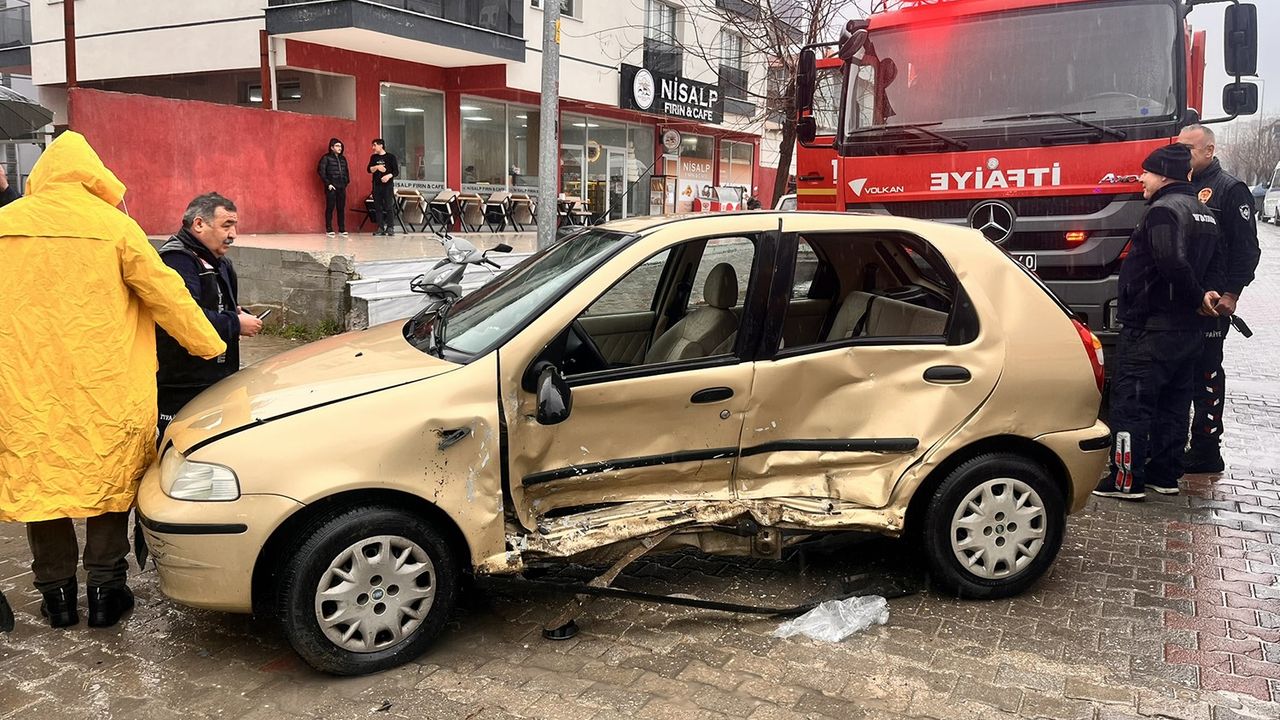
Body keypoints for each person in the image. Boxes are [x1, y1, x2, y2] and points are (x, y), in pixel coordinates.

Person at [0, 131, 225, 629]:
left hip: (25, 387)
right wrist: (209, 345)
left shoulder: (5, 224)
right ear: (94, 177)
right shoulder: (117, 228)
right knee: (111, 483)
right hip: (107, 386)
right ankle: (106, 591)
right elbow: (169, 295)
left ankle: (56, 597)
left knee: (42, 485)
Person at [1093, 144, 1224, 501]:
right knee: (1174, 406)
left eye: (1147, 172)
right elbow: (1218, 265)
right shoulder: (1205, 212)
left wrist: (1195, 296)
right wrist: (1206, 296)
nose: (1141, 179)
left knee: (1131, 405)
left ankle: (1125, 481)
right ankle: (1165, 475)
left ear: (1164, 175)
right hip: (1188, 331)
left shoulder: (1163, 211)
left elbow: (1171, 262)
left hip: (1151, 328)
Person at [1177, 124, 1261, 473]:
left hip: (1213, 303)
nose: (1183, 155)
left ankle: (1207, 449)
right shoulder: (1181, 185)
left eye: (1189, 149)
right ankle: (1176, 444)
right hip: (1185, 297)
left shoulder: (1230, 189)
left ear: (1209, 150)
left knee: (1207, 374)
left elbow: (1247, 248)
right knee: (1181, 372)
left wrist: (1232, 292)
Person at [156, 193, 263, 438]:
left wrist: (236, 313)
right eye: (226, 225)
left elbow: (217, 307)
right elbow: (184, 318)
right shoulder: (177, 261)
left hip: (216, 379)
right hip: (183, 385)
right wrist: (235, 324)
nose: (233, 234)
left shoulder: (219, 262)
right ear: (199, 224)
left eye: (235, 226)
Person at [317, 137, 350, 238]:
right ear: (332, 147)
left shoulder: (343, 159)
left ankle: (342, 229)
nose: (340, 148)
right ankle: (329, 229)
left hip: (342, 186)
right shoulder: (326, 158)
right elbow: (321, 171)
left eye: (340, 146)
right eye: (337, 146)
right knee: (330, 207)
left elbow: (347, 171)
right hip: (331, 186)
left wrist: (346, 182)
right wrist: (328, 184)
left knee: (341, 208)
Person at [368, 139, 399, 236]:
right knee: (378, 207)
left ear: (381, 145)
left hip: (387, 186)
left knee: (389, 206)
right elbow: (369, 169)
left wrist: (388, 176)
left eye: (375, 145)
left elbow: (396, 172)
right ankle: (380, 227)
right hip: (376, 185)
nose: (373, 147)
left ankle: (390, 227)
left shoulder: (391, 157)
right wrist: (377, 167)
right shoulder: (373, 157)